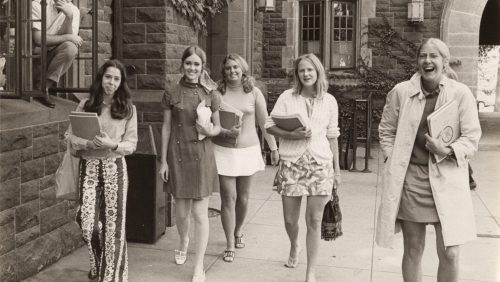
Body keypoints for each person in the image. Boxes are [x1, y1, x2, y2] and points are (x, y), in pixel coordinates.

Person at [376, 38, 481, 282]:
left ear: (445, 62)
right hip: (412, 180)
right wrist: (393, 157)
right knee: (413, 249)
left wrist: (447, 149)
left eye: (434, 56)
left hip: (449, 179)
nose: (427, 60)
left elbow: (472, 137)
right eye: (423, 55)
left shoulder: (460, 94)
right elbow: (386, 130)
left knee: (451, 253)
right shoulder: (401, 92)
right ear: (417, 62)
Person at [265, 53, 341, 282]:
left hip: (320, 165)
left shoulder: (329, 101)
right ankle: (294, 244)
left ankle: (311, 272)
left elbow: (332, 137)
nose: (306, 74)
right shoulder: (288, 97)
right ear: (297, 75)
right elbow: (269, 125)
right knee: (290, 220)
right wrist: (290, 134)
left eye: (310, 70)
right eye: (302, 71)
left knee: (314, 220)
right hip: (292, 164)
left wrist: (337, 172)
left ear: (318, 72)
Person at [66, 59, 138, 281]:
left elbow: (131, 144)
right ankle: (99, 262)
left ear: (121, 82)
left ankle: (112, 276)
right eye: (108, 77)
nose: (111, 82)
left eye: (116, 79)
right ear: (101, 78)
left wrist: (112, 145)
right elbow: (69, 136)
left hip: (114, 168)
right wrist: (88, 144)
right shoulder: (86, 104)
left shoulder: (128, 109)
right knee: (86, 223)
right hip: (88, 167)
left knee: (113, 228)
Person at [159, 45, 222, 282]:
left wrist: (210, 129)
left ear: (202, 67)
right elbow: (166, 126)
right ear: (182, 65)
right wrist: (163, 160)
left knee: (199, 213)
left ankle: (199, 266)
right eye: (188, 63)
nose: (192, 68)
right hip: (177, 154)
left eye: (197, 64)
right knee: (182, 212)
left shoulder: (212, 93)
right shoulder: (171, 92)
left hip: (202, 155)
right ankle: (184, 240)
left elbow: (217, 127)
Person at [213, 53, 279, 263]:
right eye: (228, 68)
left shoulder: (254, 92)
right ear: (223, 71)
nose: (232, 71)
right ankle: (229, 244)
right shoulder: (216, 92)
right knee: (228, 198)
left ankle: (238, 230)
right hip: (223, 150)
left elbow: (264, 122)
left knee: (243, 198)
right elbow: (209, 119)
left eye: (236, 67)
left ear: (243, 69)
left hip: (248, 150)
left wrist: (273, 148)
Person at [31, 0, 82, 108]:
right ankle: (36, 83)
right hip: (33, 60)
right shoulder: (38, 4)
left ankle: (43, 87)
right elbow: (38, 39)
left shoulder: (74, 11)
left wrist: (69, 17)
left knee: (71, 48)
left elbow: (71, 42)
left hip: (52, 60)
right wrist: (68, 37)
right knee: (69, 44)